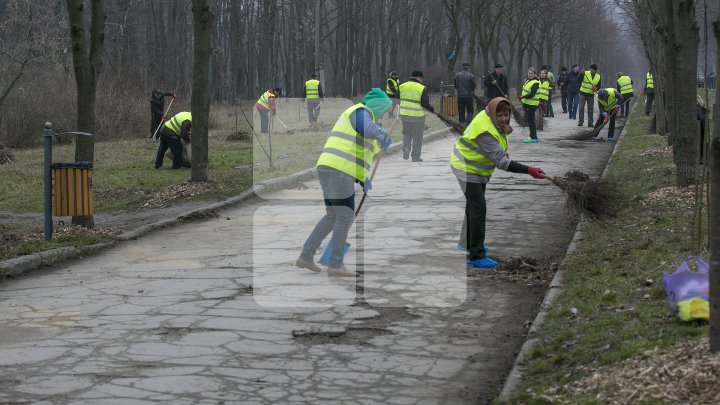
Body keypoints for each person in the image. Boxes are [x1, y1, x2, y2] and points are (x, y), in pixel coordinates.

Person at [295, 88, 394, 277]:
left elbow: (356, 157)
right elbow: (367, 128)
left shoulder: (366, 123)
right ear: (377, 106)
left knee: (333, 216)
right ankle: (335, 264)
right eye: (384, 109)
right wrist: (382, 133)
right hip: (337, 171)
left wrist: (362, 178)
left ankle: (306, 256)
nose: (384, 113)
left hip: (330, 168)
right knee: (345, 217)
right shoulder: (360, 112)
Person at [450, 97, 546, 268]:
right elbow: (502, 163)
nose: (504, 118)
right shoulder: (486, 130)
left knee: (473, 207)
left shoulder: (489, 118)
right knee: (479, 208)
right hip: (466, 167)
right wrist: (529, 170)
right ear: (493, 112)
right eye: (500, 115)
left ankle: (467, 243)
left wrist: (499, 154)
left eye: (507, 114)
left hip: (475, 167)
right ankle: (476, 255)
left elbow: (494, 151)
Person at [399, 70, 435, 162]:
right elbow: (424, 104)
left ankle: (406, 147)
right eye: (422, 78)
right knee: (417, 137)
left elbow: (397, 100)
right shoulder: (422, 88)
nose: (422, 80)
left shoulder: (402, 86)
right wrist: (432, 109)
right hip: (418, 116)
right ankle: (415, 157)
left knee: (407, 133)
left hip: (404, 114)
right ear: (418, 77)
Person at [519, 67, 541, 143]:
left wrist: (523, 97)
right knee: (530, 120)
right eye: (529, 73)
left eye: (532, 73)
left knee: (531, 121)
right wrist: (522, 98)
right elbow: (525, 91)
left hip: (532, 104)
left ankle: (533, 137)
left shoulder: (535, 82)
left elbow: (532, 94)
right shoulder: (528, 81)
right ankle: (533, 136)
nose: (530, 74)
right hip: (528, 104)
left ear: (535, 74)